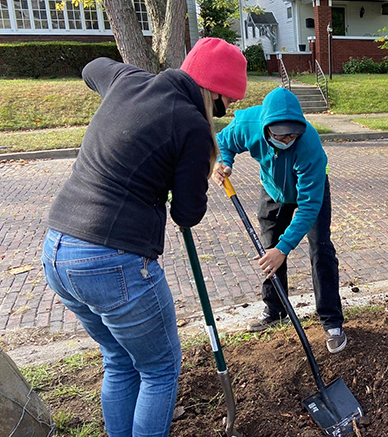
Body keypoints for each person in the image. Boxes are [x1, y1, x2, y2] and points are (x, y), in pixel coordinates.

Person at [41, 38, 247, 437]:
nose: (222, 115)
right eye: (224, 105)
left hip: (58, 250)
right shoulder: (191, 125)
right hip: (113, 261)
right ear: (214, 94)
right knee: (159, 369)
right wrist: (185, 173)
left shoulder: (125, 79)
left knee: (118, 359)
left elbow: (91, 68)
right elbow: (188, 214)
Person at [212, 87, 347, 354]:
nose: (287, 140)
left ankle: (332, 322)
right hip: (273, 189)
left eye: (292, 135)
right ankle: (276, 310)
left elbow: (308, 208)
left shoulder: (309, 146)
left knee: (320, 248)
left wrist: (285, 249)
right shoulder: (248, 125)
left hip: (310, 191)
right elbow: (223, 141)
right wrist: (223, 162)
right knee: (268, 249)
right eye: (280, 135)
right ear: (266, 128)